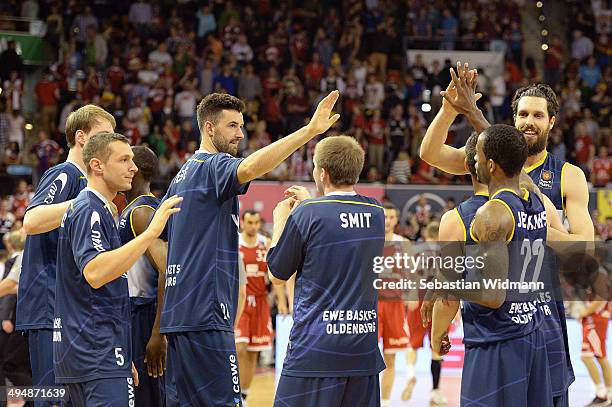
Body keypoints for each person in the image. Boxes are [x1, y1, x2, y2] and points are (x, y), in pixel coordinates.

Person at [420, 63, 592, 405]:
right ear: (513, 119)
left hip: (541, 307)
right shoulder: (486, 159)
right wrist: (449, 108)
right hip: (495, 313)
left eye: (538, 116)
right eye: (523, 114)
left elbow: (585, 249)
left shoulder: (567, 175)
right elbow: (430, 154)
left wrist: (533, 230)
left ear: (552, 122)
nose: (529, 121)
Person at [159, 90, 340, 406]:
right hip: (206, 313)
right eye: (232, 126)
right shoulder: (212, 166)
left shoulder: (181, 176)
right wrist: (309, 132)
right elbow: (250, 167)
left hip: (180, 315)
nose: (240, 134)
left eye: (241, 126)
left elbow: (162, 241)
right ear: (209, 128)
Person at [53, 132, 182, 406]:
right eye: (124, 160)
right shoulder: (90, 209)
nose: (133, 168)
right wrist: (151, 233)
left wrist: (121, 352)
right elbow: (96, 273)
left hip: (96, 351)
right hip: (96, 352)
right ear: (97, 165)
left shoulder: (99, 209)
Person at [434, 124, 553, 406]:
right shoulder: (534, 200)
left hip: (497, 343)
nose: (472, 161)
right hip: (531, 334)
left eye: (476, 155)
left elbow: (492, 295)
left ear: (490, 164)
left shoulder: (492, 213)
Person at [267, 135, 386, 407]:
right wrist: (311, 203)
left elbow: (277, 273)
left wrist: (280, 222)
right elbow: (338, 222)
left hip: (315, 350)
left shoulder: (307, 213)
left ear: (322, 173)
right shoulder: (376, 212)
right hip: (362, 351)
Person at [16, 105, 116, 407]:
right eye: (102, 135)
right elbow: (31, 221)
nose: (108, 143)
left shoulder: (89, 185)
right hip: (47, 307)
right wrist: (84, 203)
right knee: (52, 400)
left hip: (70, 310)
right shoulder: (65, 174)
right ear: (81, 137)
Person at [117, 146, 167, 407]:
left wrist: (158, 333)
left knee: (145, 395)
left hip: (145, 314)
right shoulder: (132, 208)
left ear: (134, 169)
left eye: (125, 160)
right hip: (131, 312)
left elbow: (167, 271)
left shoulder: (143, 212)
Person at [235, 210, 288, 405]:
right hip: (239, 302)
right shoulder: (235, 243)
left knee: (252, 353)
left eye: (256, 222)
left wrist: (281, 301)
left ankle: (244, 397)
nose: (253, 226)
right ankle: (232, 391)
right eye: (249, 222)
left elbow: (275, 275)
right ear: (242, 222)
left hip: (260, 302)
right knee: (238, 348)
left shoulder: (265, 244)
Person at [377, 202, 410, 407]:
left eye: (391, 217)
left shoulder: (404, 244)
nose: (388, 221)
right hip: (371, 306)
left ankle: (386, 402)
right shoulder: (370, 241)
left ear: (396, 220)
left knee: (391, 359)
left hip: (395, 306)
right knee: (368, 358)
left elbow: (412, 275)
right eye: (385, 217)